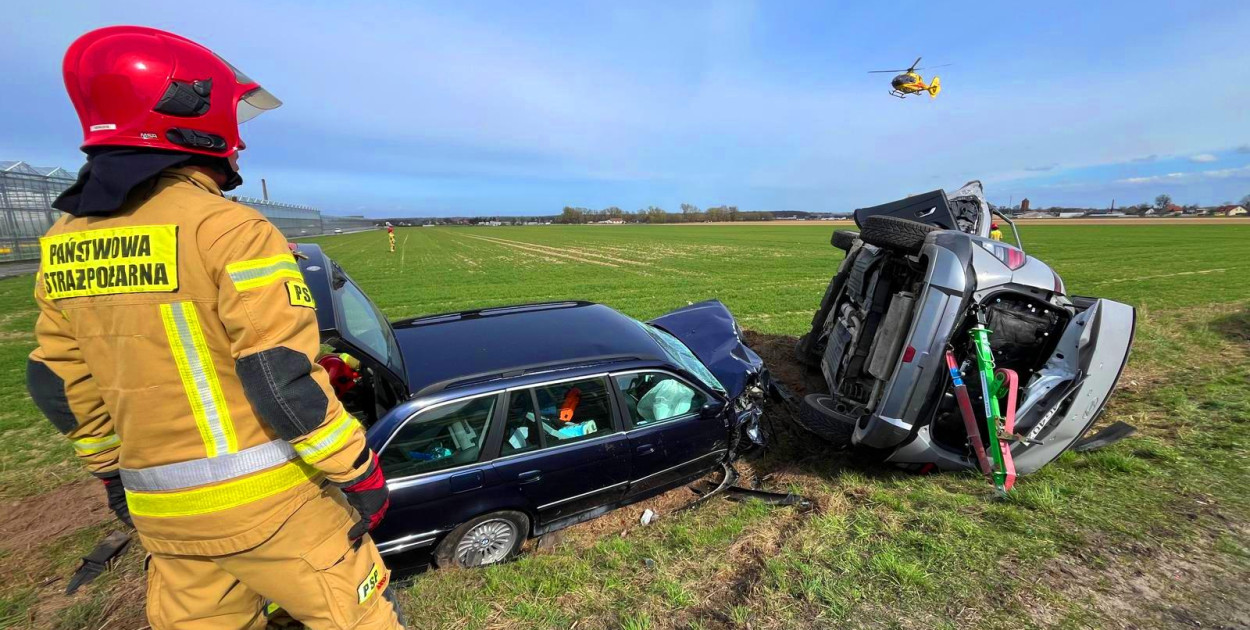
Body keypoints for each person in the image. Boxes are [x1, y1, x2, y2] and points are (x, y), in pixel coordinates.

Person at [27, 26, 403, 629]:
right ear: (186, 114)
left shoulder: (63, 242)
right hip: (272, 507)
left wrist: (111, 475)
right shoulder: (229, 230)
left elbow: (55, 381)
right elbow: (282, 378)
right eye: (233, 122)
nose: (239, 149)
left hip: (163, 518)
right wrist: (358, 469)